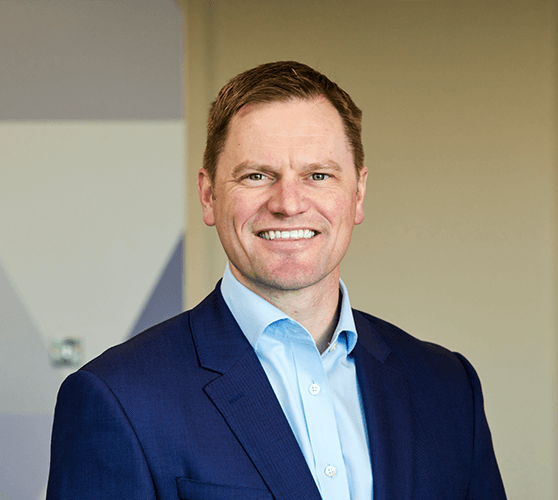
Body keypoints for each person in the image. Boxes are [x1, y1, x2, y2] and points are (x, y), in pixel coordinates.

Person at [47, 61, 507, 500]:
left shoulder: (447, 387)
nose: (289, 203)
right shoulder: (119, 399)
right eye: (257, 175)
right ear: (208, 196)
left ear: (358, 194)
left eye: (318, 175)